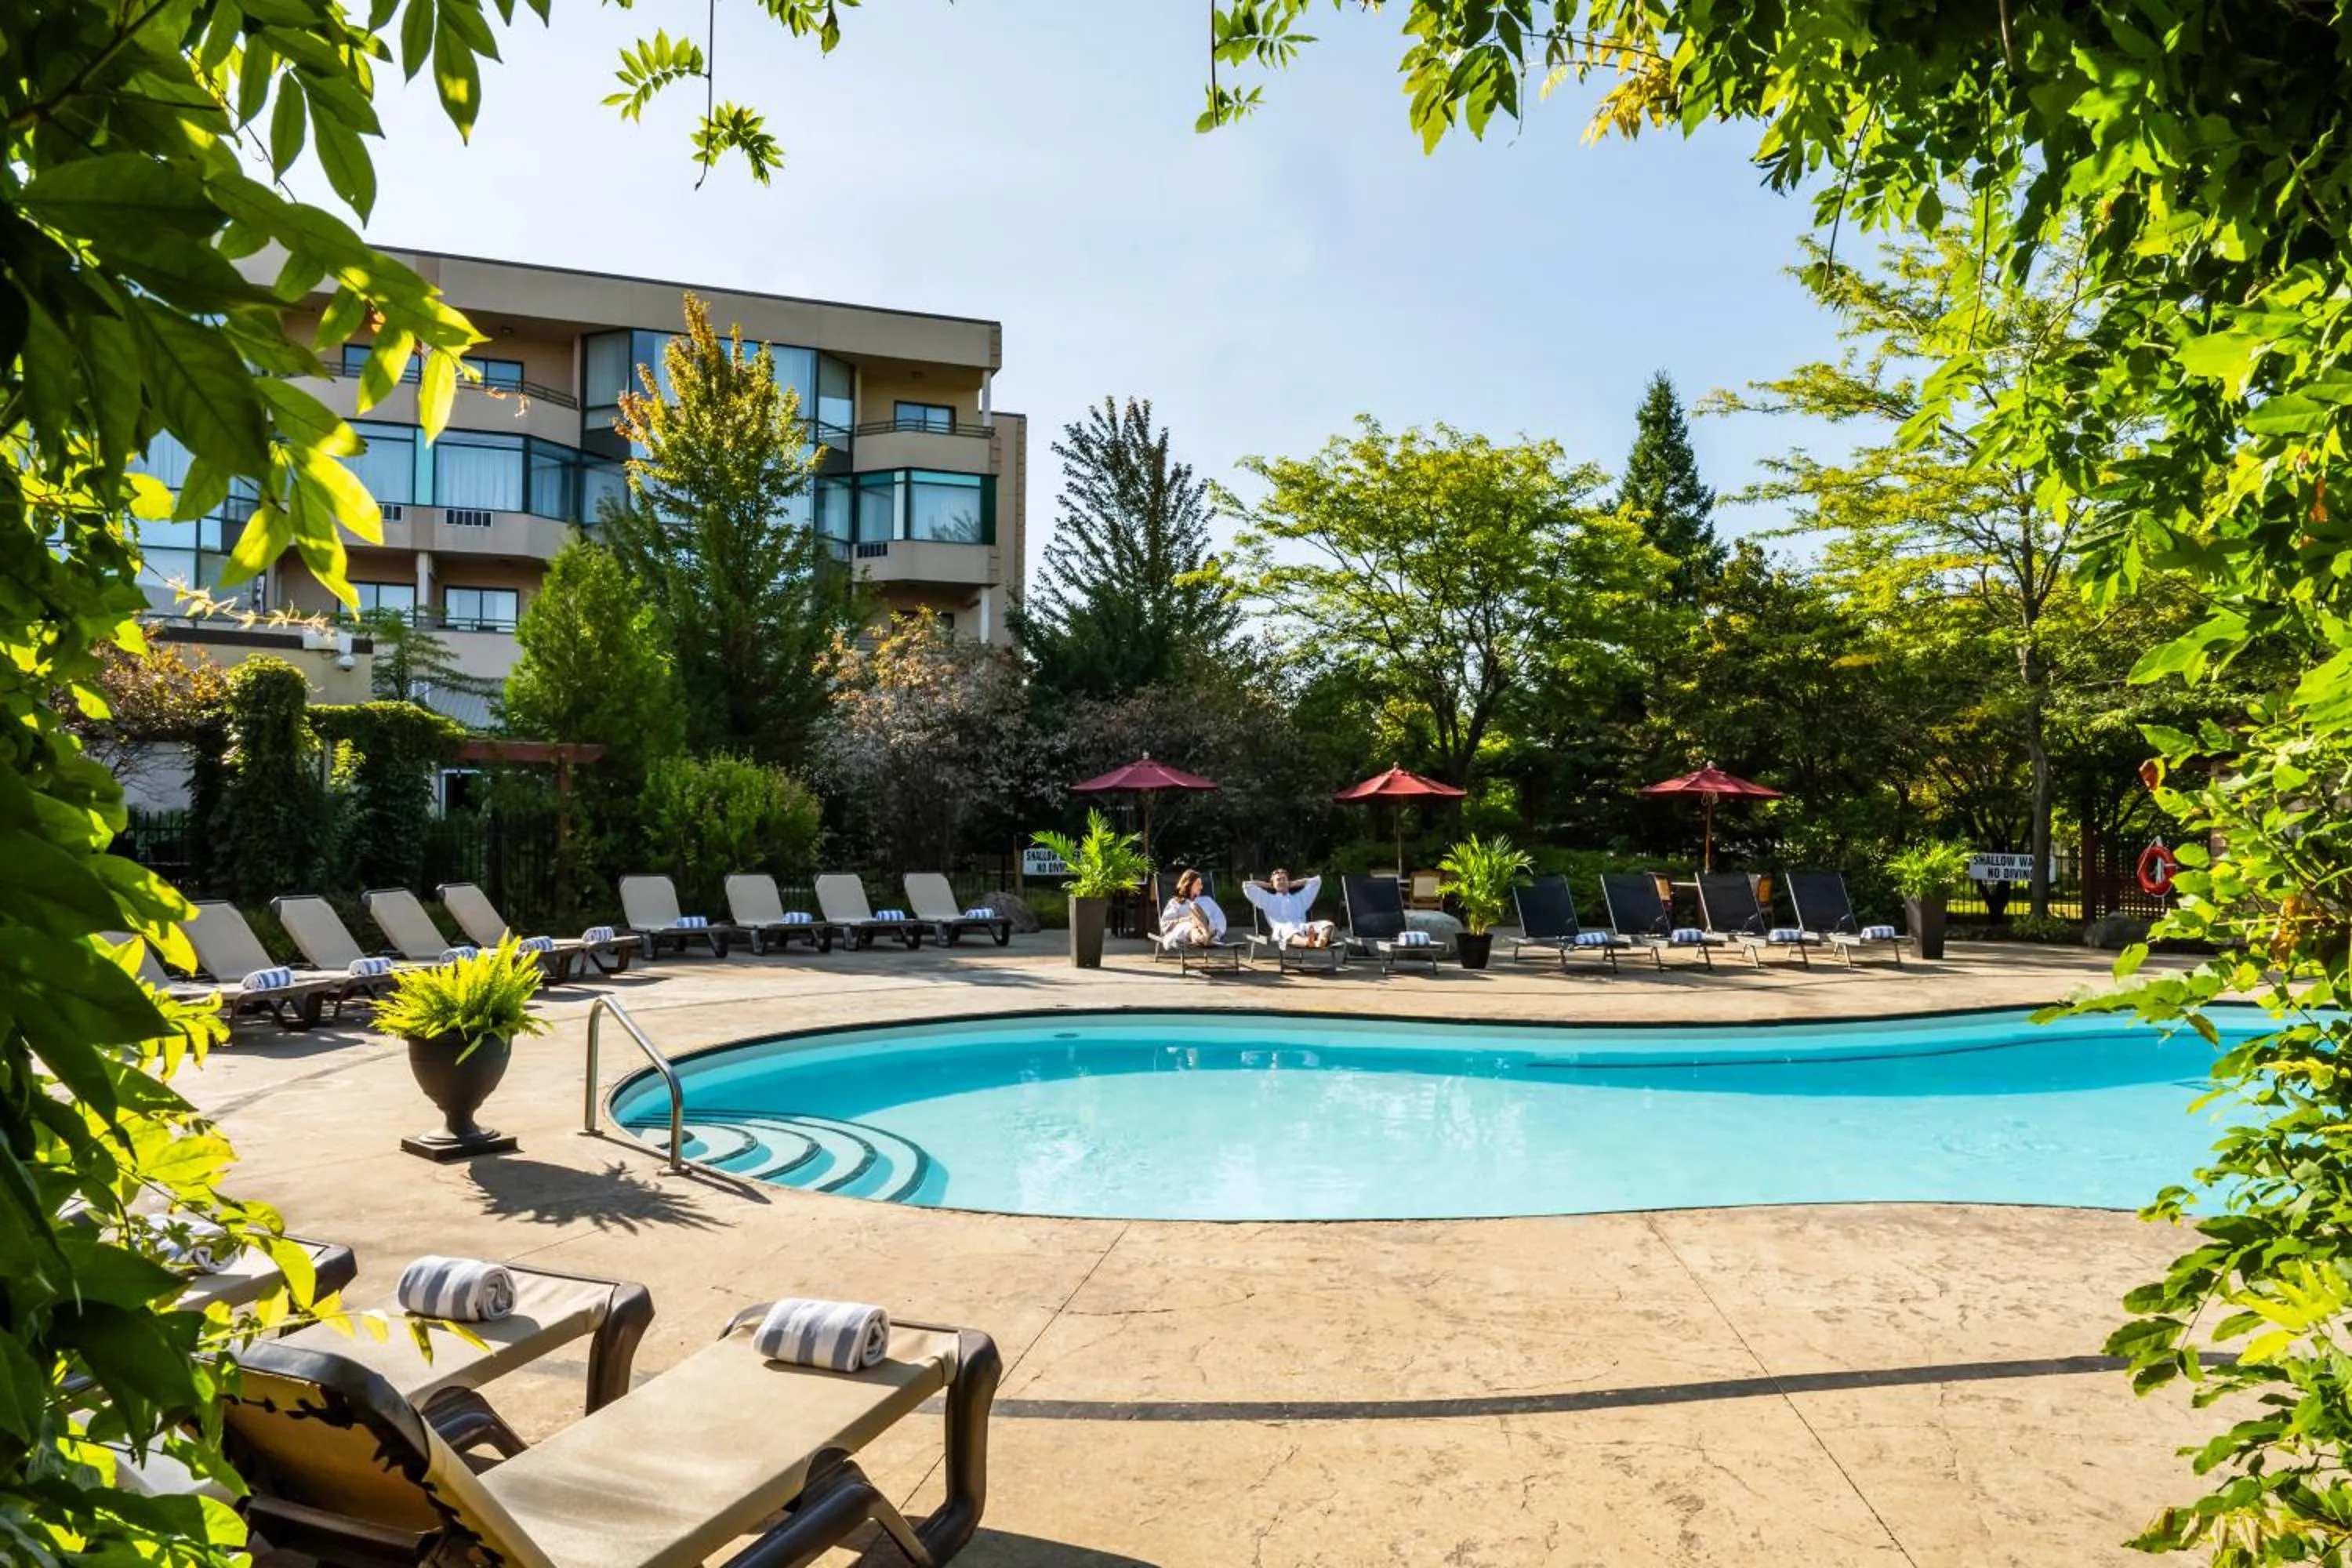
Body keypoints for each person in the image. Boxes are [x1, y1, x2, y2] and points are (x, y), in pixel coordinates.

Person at [1242, 869, 1337, 948]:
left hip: (1301, 927)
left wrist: (1294, 883)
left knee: (1328, 925)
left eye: (1284, 879)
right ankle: (1310, 943)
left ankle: (1321, 942)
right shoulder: (1267, 899)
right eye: (1278, 880)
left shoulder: (1299, 898)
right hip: (1282, 929)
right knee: (1290, 930)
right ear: (1273, 884)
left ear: (1289, 882)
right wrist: (1268, 885)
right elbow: (1247, 885)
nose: (1282, 881)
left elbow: (1316, 881)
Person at [1157, 869, 1228, 948]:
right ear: (1189, 885)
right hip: (1186, 930)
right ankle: (1206, 938)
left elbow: (1221, 919)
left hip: (1210, 929)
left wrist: (1216, 932)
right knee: (1192, 925)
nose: (1201, 887)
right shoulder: (1175, 903)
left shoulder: (1207, 900)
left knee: (1194, 906)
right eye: (1198, 884)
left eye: (1201, 884)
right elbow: (1165, 925)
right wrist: (1188, 919)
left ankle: (1205, 936)